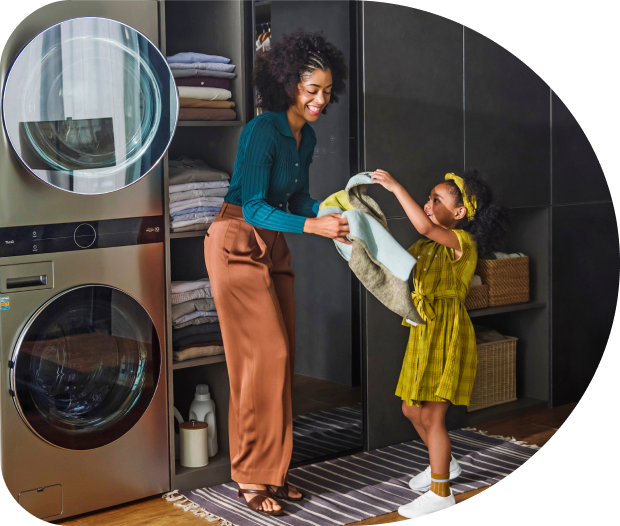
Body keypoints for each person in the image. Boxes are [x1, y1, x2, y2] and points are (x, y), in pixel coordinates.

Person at [204, 30, 349, 516]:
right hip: (235, 240)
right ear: (289, 83)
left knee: (281, 360)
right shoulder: (263, 130)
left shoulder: (305, 137)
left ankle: (276, 473)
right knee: (262, 358)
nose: (319, 100)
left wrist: (335, 211)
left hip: (273, 244)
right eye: (311, 90)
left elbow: (297, 198)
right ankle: (250, 476)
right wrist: (315, 226)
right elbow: (255, 207)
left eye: (327, 91)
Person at [369, 168, 509, 518]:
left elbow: (426, 225)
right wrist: (358, 237)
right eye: (428, 198)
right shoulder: (425, 246)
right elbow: (396, 263)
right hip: (423, 329)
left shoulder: (463, 243)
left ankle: (441, 493)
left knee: (433, 416)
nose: (428, 204)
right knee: (410, 408)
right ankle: (445, 463)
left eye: (436, 199)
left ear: (459, 213)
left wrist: (395, 187)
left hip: (447, 332)